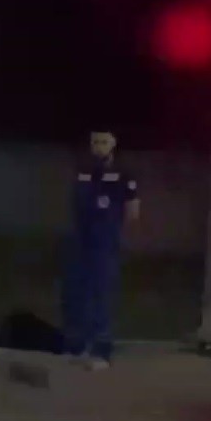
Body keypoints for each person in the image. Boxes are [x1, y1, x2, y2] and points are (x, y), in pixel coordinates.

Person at [62, 130, 139, 370]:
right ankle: (80, 345)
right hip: (83, 239)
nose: (99, 146)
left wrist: (116, 233)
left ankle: (102, 349)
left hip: (106, 241)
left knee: (101, 293)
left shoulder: (123, 172)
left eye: (104, 142)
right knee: (80, 291)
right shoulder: (84, 170)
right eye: (95, 142)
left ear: (113, 144)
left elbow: (133, 209)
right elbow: (76, 203)